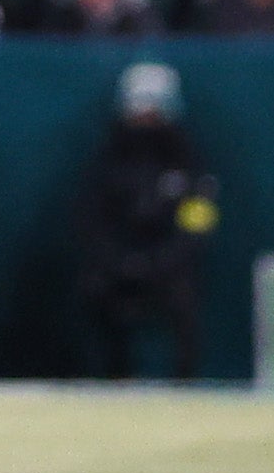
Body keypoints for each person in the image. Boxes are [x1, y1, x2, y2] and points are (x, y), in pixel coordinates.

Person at [74, 63, 221, 380]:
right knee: (94, 290)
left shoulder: (188, 160)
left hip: (170, 264)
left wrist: (160, 261)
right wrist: (122, 261)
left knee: (184, 296)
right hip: (118, 261)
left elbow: (198, 223)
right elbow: (91, 220)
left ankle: (186, 383)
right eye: (139, 110)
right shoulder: (108, 158)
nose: (146, 118)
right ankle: (110, 381)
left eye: (154, 110)